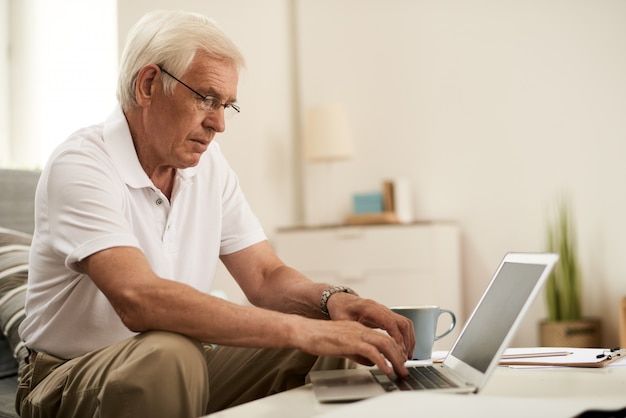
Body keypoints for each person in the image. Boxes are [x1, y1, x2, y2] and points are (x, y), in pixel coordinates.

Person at [16, 9, 415, 418]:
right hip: (66, 377)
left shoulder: (208, 166)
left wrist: (330, 302)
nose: (220, 123)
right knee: (171, 353)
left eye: (227, 105)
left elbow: (264, 276)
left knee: (330, 346)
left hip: (177, 362)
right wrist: (303, 328)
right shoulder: (81, 164)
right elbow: (138, 299)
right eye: (206, 98)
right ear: (149, 84)